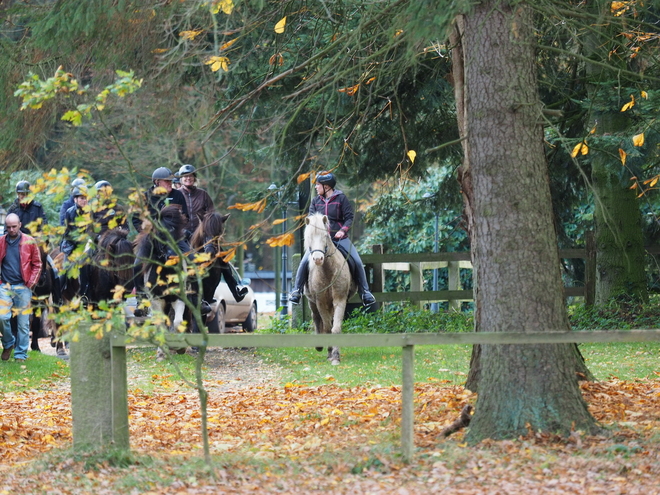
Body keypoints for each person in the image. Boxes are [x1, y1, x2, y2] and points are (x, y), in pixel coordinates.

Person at [289, 172, 376, 306]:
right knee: (303, 263)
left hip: (339, 238)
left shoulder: (341, 198)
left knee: (357, 261)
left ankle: (365, 292)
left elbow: (349, 218)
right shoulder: (316, 201)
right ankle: (297, 291)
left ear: (327, 186)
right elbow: (311, 220)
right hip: (320, 241)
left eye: (318, 185)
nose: (316, 187)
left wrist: (342, 231)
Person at [0, 213, 43, 362]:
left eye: (14, 226)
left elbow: (38, 264)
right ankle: (8, 343)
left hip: (23, 286)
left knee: (23, 323)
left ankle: (20, 355)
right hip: (5, 286)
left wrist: (30, 283)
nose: (11, 230)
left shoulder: (30, 241)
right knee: (2, 317)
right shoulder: (1, 241)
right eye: (8, 227)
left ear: (19, 225)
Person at [60, 185, 93, 301]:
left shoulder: (91, 212)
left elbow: (93, 231)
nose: (84, 201)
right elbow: (67, 232)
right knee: (63, 272)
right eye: (81, 198)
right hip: (72, 246)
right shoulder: (69, 212)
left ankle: (86, 295)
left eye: (85, 198)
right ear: (75, 199)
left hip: (88, 246)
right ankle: (58, 296)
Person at [131, 167, 189, 232]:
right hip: (153, 237)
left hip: (175, 235)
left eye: (170, 180)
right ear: (157, 182)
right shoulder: (144, 197)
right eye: (167, 181)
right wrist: (147, 234)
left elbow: (185, 216)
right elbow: (136, 220)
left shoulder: (178, 194)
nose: (170, 183)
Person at [176, 164, 214, 234]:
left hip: (200, 233)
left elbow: (211, 213)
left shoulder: (203, 194)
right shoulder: (176, 194)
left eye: (190, 175)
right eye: (185, 176)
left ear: (194, 178)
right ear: (181, 178)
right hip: (181, 234)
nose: (188, 178)